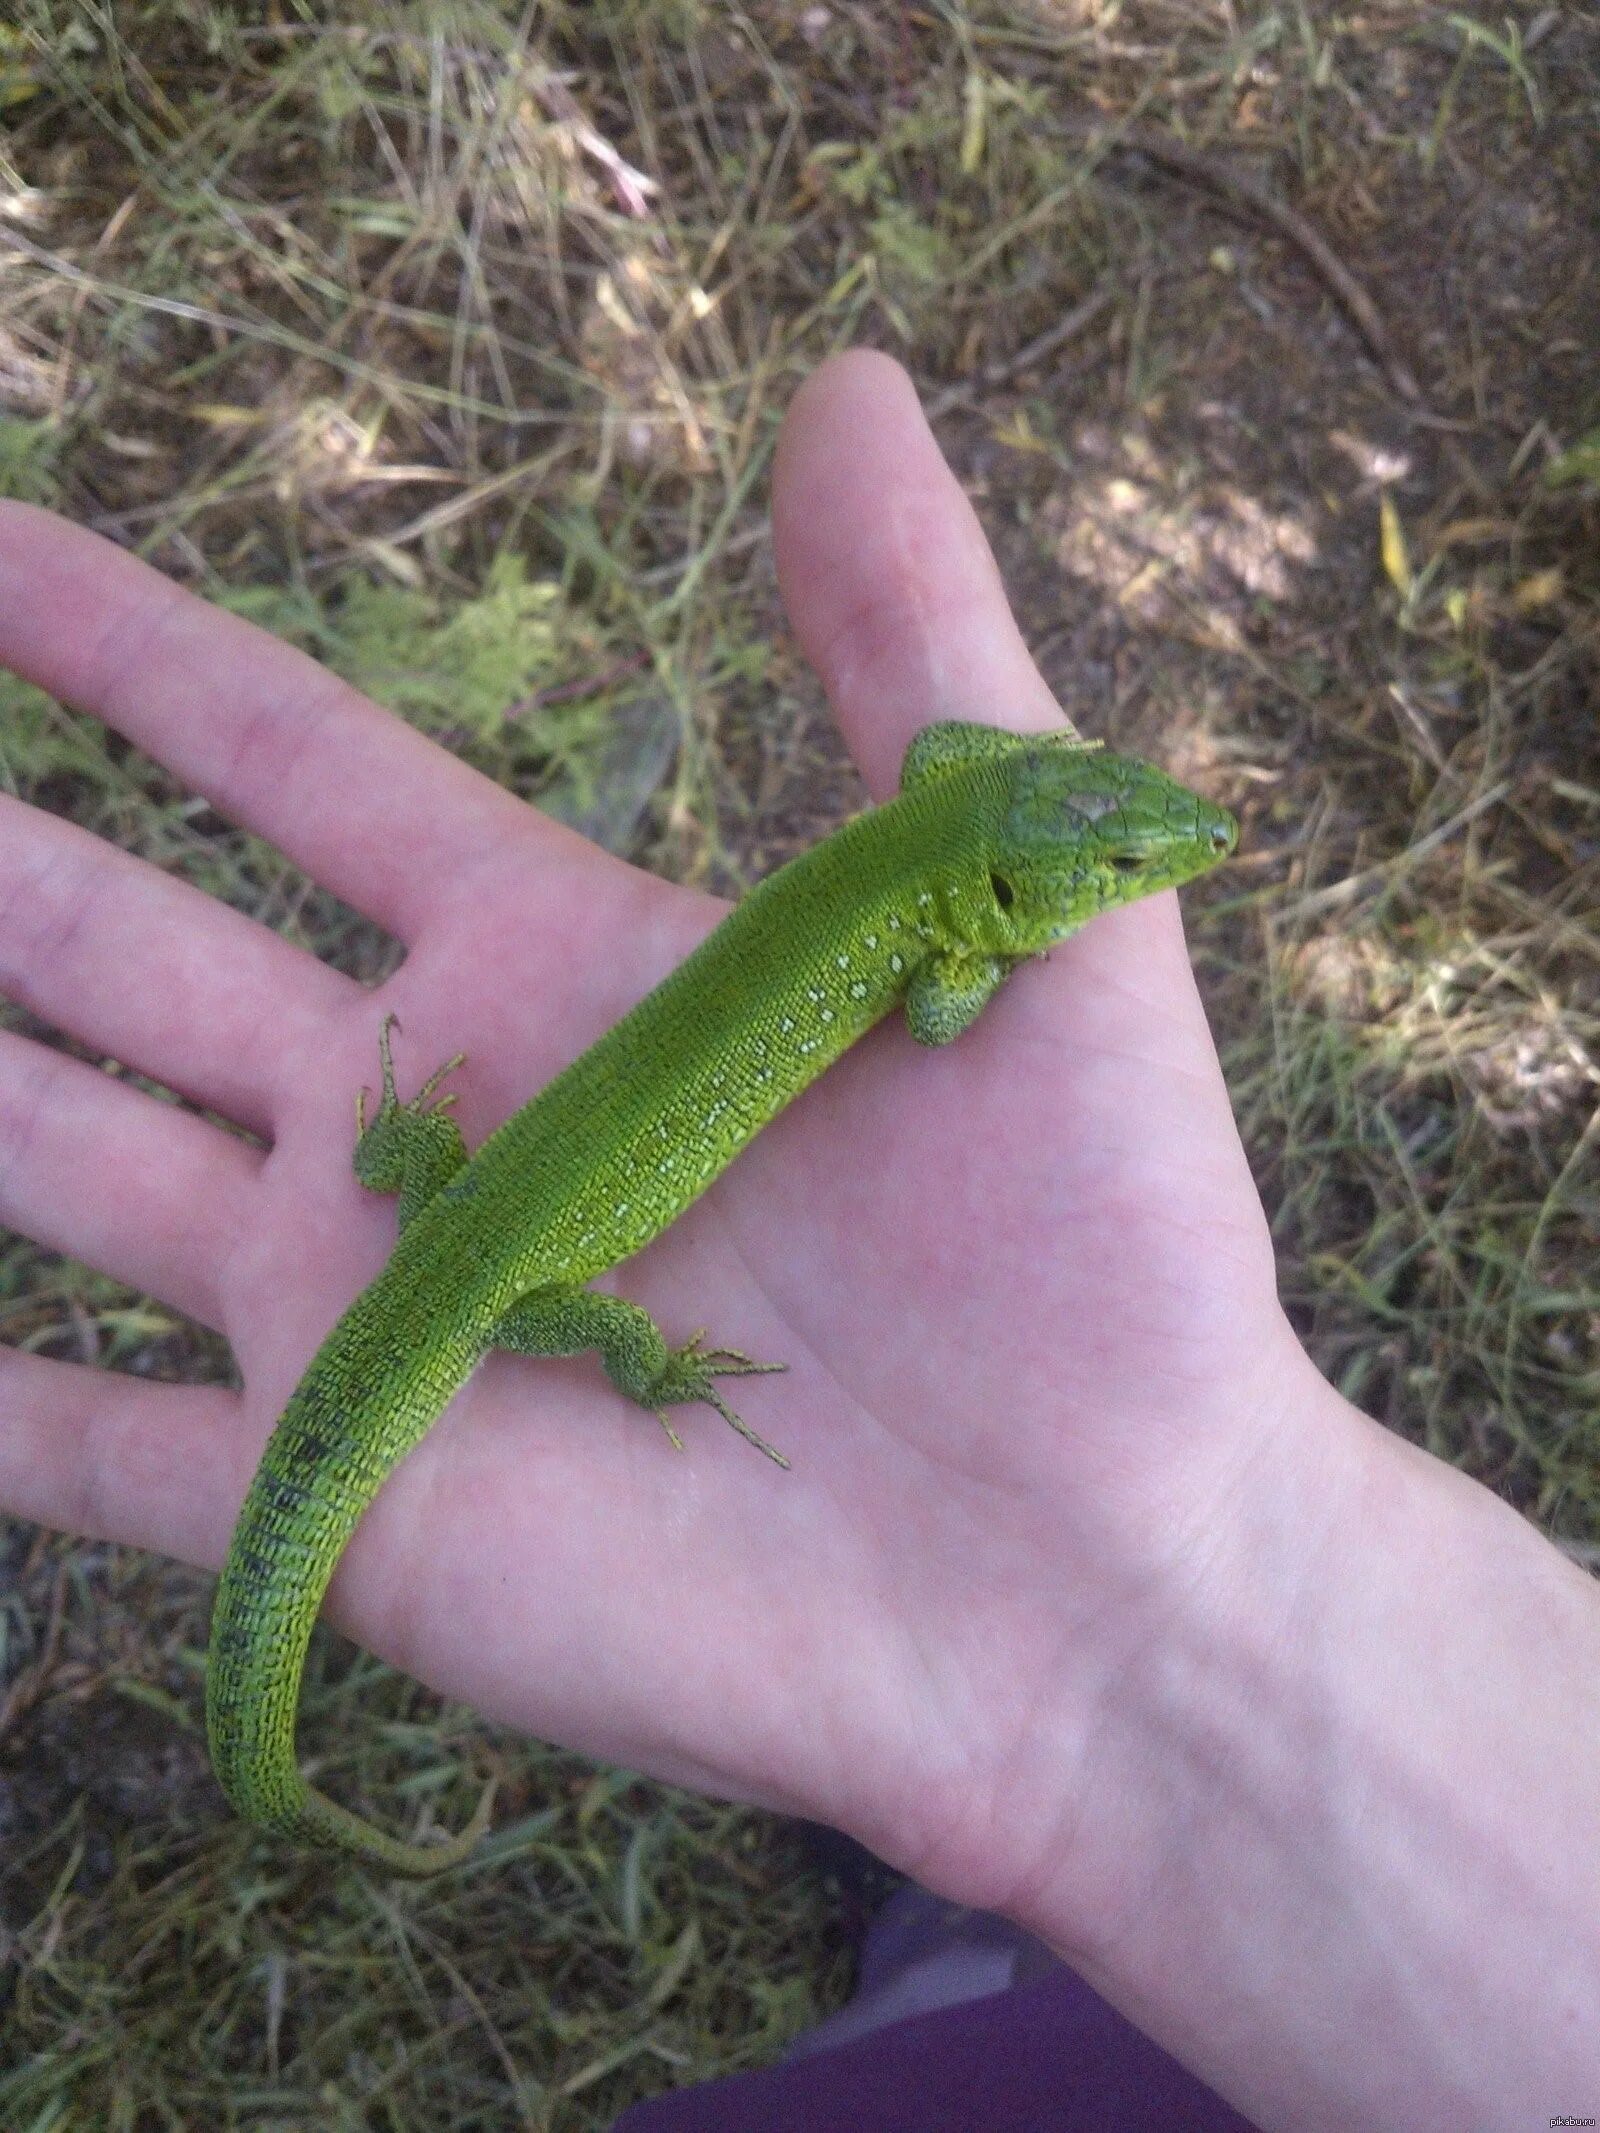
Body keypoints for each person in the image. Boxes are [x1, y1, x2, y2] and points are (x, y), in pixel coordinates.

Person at [0, 352, 1594, 2128]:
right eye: (1121, 861)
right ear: (999, 883)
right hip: (516, 1281)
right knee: (529, 1345)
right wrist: (971, 970)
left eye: (1137, 848)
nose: (1169, 858)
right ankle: (607, 1572)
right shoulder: (946, 924)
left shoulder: (946, 825)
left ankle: (935, 1960)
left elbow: (948, 756)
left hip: (472, 1208)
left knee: (418, 1289)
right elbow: (927, 1016)